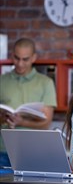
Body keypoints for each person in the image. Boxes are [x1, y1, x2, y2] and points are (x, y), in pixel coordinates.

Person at [0, 38, 57, 167]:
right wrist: (4, 118)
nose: (20, 63)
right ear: (12, 55)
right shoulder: (2, 81)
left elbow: (46, 123)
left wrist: (21, 122)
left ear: (33, 58)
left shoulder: (46, 83)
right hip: (3, 151)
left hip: (33, 151)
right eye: (16, 58)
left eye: (25, 59)